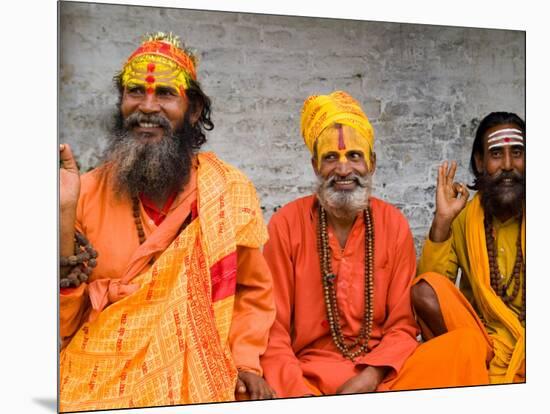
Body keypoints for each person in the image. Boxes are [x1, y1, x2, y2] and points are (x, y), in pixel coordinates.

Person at [59, 32, 276, 411]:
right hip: (99, 369)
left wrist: (245, 362)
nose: (147, 107)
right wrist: (61, 215)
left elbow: (251, 292)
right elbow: (61, 322)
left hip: (199, 368)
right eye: (134, 93)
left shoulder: (227, 190)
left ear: (193, 110)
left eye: (164, 93)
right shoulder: (85, 192)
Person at [260, 91, 490, 397]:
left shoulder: (393, 224)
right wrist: (298, 394)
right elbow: (272, 331)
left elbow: (403, 326)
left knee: (466, 346)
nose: (343, 170)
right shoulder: (286, 224)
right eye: (331, 158)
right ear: (316, 166)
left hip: (384, 376)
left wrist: (367, 379)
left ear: (372, 162)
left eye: (354, 156)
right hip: (310, 376)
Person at [412, 112, 525, 384]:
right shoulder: (465, 218)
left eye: (518, 152)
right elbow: (436, 286)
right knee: (424, 291)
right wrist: (442, 220)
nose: (508, 165)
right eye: (496, 154)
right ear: (480, 161)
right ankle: (472, 359)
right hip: (484, 336)